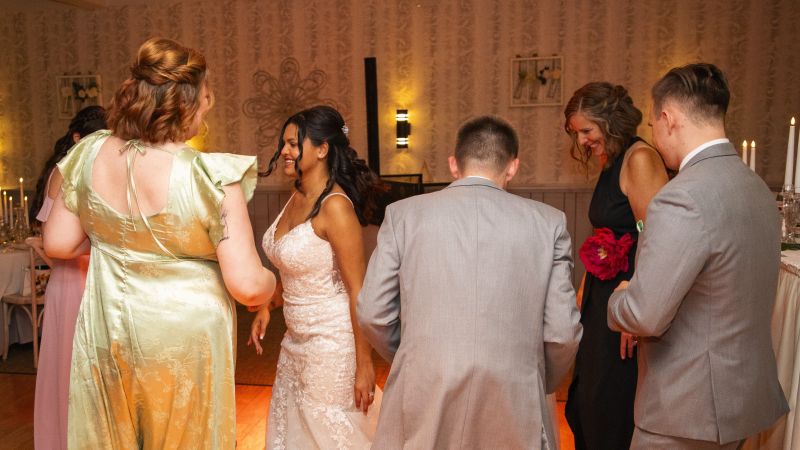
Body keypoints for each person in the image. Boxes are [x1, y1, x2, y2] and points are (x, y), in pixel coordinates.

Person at [42, 37, 276, 449]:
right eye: (206, 95)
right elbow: (247, 285)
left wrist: (118, 243)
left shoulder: (91, 152)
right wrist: (272, 284)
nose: (209, 104)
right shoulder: (209, 176)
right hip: (183, 341)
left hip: (108, 326)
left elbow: (58, 243)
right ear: (187, 102)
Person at [357, 116, 583, 449]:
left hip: (425, 382)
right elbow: (563, 332)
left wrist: (415, 355)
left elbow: (372, 312)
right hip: (514, 390)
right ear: (513, 167)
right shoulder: (549, 223)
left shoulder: (403, 215)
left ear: (454, 164)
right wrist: (533, 375)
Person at [608, 63, 789, 449]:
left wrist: (619, 298)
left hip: (685, 408)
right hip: (739, 401)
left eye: (654, 125)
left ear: (668, 118)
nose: (655, 137)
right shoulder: (756, 187)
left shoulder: (682, 197)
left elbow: (645, 314)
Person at [248, 105, 384, 449]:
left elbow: (358, 290)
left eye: (294, 144)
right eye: (284, 143)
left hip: (331, 343)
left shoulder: (335, 207)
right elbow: (297, 268)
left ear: (322, 149)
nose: (285, 151)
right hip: (294, 341)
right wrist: (268, 305)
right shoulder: (296, 196)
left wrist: (364, 364)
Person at [562, 82, 668, 450]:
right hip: (603, 294)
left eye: (586, 131)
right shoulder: (612, 160)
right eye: (577, 134)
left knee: (610, 400)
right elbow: (608, 233)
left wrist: (637, 309)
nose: (582, 142)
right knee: (589, 395)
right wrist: (584, 289)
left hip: (627, 297)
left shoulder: (640, 159)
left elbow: (657, 238)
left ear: (610, 121)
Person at [32, 105, 106, 450]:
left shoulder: (80, 169)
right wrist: (104, 246)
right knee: (73, 367)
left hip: (77, 278)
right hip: (75, 279)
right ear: (77, 139)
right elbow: (56, 242)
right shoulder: (66, 172)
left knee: (82, 367)